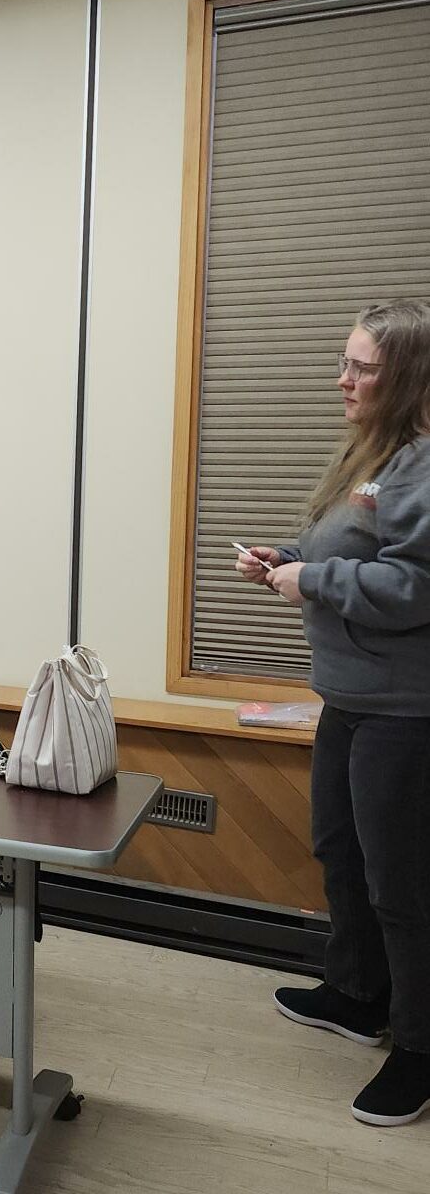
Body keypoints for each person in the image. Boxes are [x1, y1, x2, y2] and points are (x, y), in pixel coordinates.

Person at [239, 301, 430, 1128]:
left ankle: (418, 1047)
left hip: (405, 714)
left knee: (402, 887)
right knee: (340, 852)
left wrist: (311, 581)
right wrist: (288, 559)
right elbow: (353, 552)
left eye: (362, 367)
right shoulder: (374, 454)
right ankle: (357, 994)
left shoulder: (424, 467)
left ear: (409, 377)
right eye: (345, 362)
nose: (342, 379)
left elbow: (415, 587)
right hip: (349, 698)